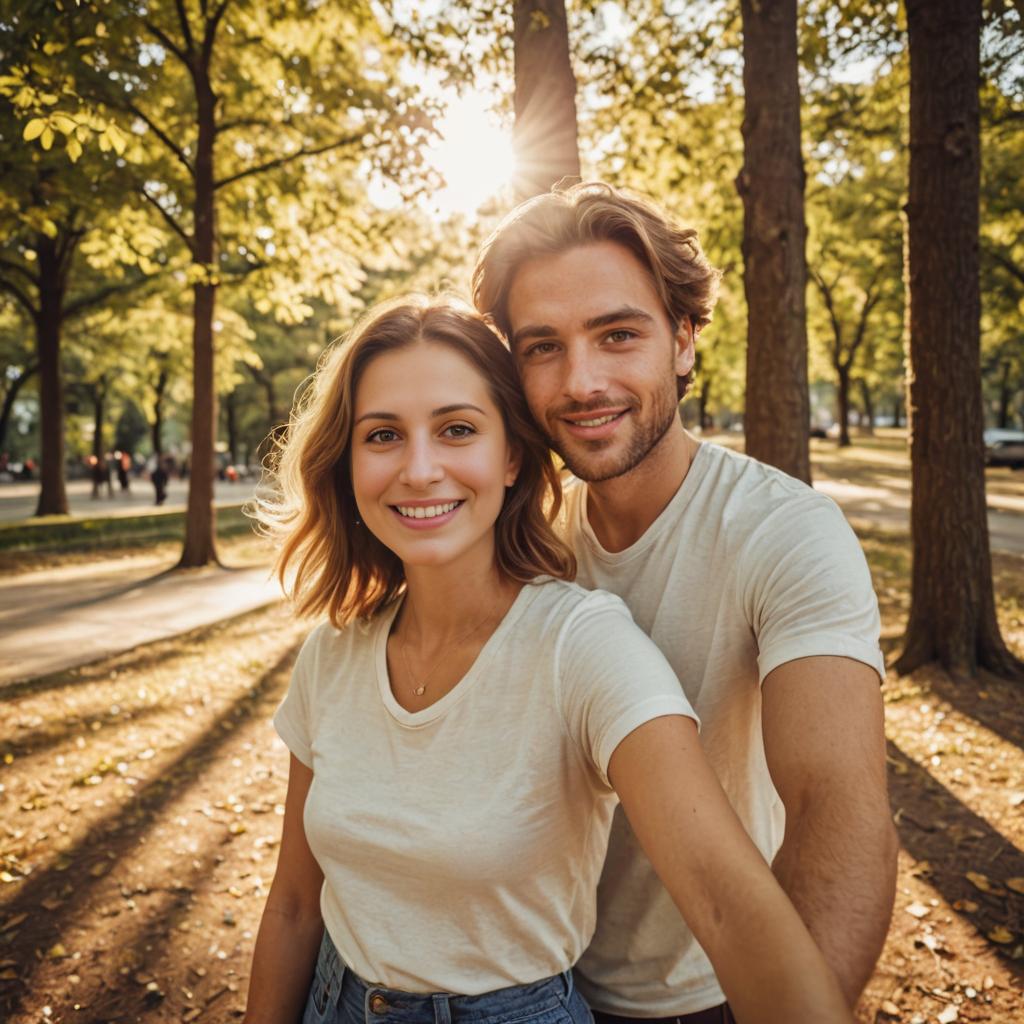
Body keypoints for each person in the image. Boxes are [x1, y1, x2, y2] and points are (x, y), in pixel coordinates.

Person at [244, 297, 853, 1024]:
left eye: (457, 429)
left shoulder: (585, 647)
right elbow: (291, 907)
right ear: (346, 463)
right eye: (382, 435)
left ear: (510, 458)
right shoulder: (332, 653)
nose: (419, 468)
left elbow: (729, 908)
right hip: (330, 1000)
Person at [472, 182, 898, 1023]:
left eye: (618, 335)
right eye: (542, 347)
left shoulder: (785, 531)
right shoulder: (514, 533)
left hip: (706, 995)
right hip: (523, 984)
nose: (581, 380)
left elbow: (837, 807)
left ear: (684, 341)